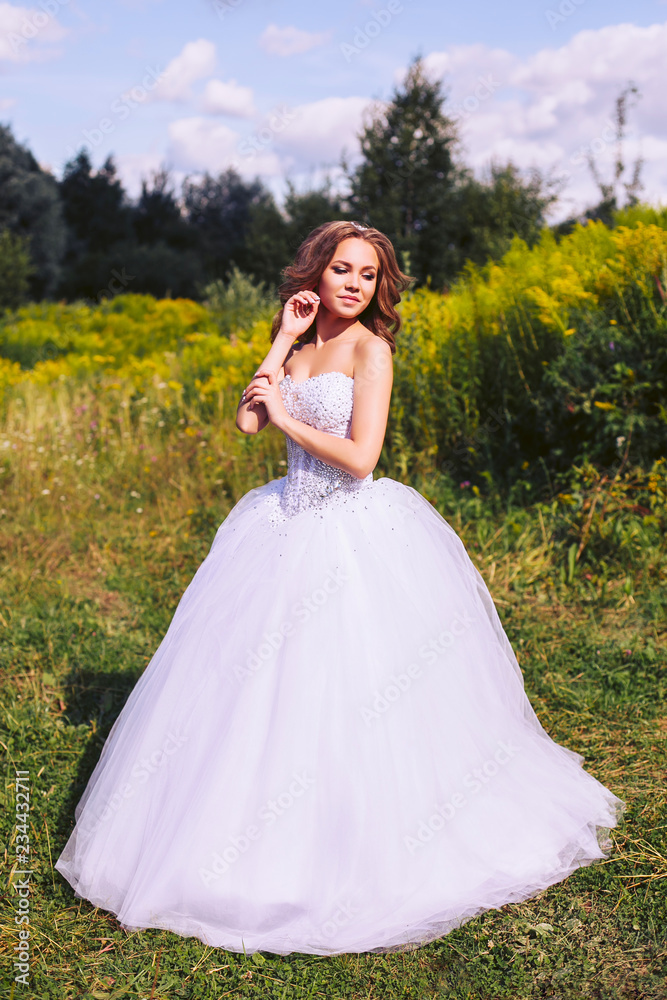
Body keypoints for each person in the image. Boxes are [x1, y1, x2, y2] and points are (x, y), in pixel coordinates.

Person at [55, 221, 624, 957]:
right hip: (281, 523)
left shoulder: (369, 349)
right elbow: (246, 420)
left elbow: (361, 458)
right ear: (314, 276)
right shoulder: (301, 343)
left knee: (354, 686)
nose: (354, 284)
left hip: (350, 530)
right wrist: (280, 343)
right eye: (342, 270)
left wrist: (290, 412)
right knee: (255, 690)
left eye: (367, 274)